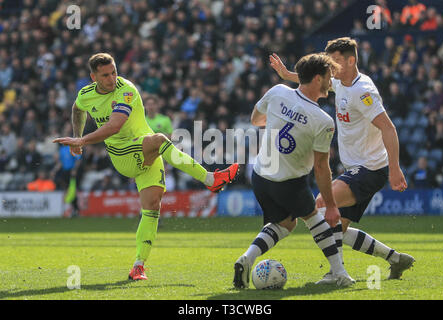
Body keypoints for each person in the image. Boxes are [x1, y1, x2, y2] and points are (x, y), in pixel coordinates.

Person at [53, 53, 239, 281]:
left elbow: (115, 124)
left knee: (152, 207)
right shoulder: (86, 94)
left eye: (114, 72)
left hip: (144, 149)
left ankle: (138, 265)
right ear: (93, 77)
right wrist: (77, 136)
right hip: (123, 154)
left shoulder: (126, 89)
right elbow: (77, 109)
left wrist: (81, 140)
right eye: (105, 75)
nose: (112, 78)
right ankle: (211, 180)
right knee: (160, 139)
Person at [269, 37, 414, 282]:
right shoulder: (340, 81)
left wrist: (395, 169)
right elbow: (312, 82)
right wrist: (286, 74)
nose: (331, 68)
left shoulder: (363, 92)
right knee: (337, 228)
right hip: (357, 168)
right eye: (329, 63)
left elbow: (388, 128)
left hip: (369, 169)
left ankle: (336, 273)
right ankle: (395, 259)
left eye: (336, 62)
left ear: (351, 60)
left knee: (323, 205)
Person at [233, 53, 355, 289]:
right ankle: (339, 273)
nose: (331, 82)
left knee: (286, 223)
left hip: (260, 176)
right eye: (329, 77)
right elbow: (321, 167)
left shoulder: (278, 91)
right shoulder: (323, 120)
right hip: (288, 181)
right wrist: (330, 204)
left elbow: (255, 119)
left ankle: (246, 259)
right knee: (315, 220)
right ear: (318, 79)